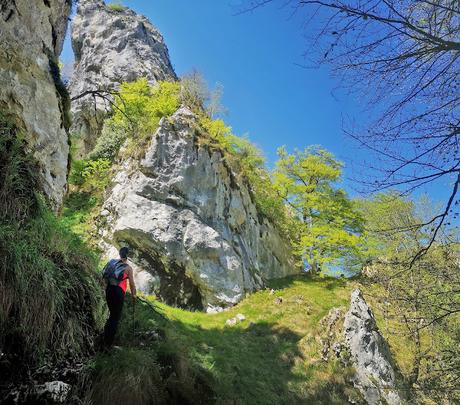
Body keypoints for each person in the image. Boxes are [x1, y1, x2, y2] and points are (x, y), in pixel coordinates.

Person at [102, 247, 137, 348]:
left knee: (111, 316)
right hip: (118, 292)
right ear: (127, 255)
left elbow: (105, 275)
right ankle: (107, 344)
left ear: (119, 253)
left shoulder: (112, 262)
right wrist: (134, 295)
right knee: (115, 318)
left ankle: (105, 339)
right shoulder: (128, 268)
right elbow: (132, 284)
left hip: (109, 290)